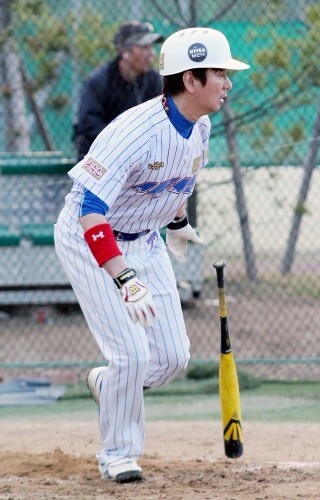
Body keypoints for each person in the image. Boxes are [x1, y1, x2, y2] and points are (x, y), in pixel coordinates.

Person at [54, 27, 249, 483]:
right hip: (92, 241)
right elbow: (89, 210)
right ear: (190, 80)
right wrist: (124, 277)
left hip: (144, 237)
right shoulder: (133, 133)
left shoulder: (200, 125)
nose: (228, 83)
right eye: (219, 73)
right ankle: (118, 454)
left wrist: (177, 224)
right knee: (130, 354)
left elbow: (174, 181)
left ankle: (108, 385)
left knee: (172, 359)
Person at [73, 21, 164, 161]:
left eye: (152, 47)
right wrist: (124, 142)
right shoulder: (99, 81)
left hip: (141, 157)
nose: (151, 53)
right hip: (102, 156)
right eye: (144, 47)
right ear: (124, 50)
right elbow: (89, 124)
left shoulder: (154, 81)